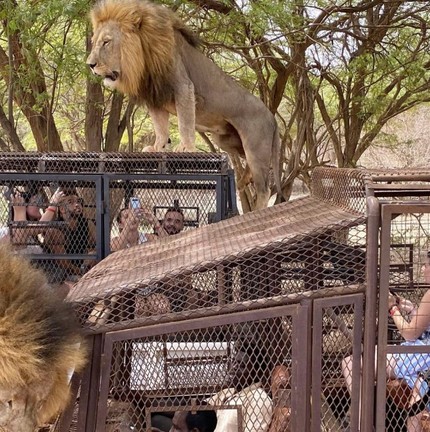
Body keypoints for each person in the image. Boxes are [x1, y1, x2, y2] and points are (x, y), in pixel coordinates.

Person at [342, 254, 430, 432]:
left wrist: (393, 308)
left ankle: (361, 423)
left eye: (426, 265)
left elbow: (410, 333)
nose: (423, 269)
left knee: (349, 363)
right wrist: (411, 308)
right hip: (422, 353)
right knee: (416, 409)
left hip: (419, 357)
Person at [206, 339, 273, 432]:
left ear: (256, 372)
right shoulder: (230, 392)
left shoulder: (258, 399)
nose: (234, 368)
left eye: (241, 365)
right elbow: (202, 408)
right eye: (234, 362)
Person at [43, 190, 97, 284]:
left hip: (81, 269)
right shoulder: (55, 230)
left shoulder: (88, 224)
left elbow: (97, 245)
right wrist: (83, 273)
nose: (77, 205)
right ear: (62, 209)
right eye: (70, 202)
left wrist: (91, 254)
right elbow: (63, 264)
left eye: (78, 201)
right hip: (59, 273)